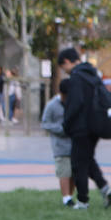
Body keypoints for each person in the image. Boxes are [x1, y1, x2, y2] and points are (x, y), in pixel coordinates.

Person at [56, 47, 111, 210]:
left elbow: (75, 103)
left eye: (63, 67)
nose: (65, 71)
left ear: (67, 62)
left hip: (80, 127)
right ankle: (105, 189)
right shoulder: (92, 74)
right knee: (88, 160)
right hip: (95, 125)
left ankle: (83, 200)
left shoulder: (76, 77)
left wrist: (67, 123)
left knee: (78, 164)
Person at [40, 78, 74, 206]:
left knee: (73, 172)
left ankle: (70, 195)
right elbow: (45, 123)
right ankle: (66, 198)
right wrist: (61, 129)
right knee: (64, 171)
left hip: (74, 142)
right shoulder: (52, 105)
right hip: (60, 145)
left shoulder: (73, 103)